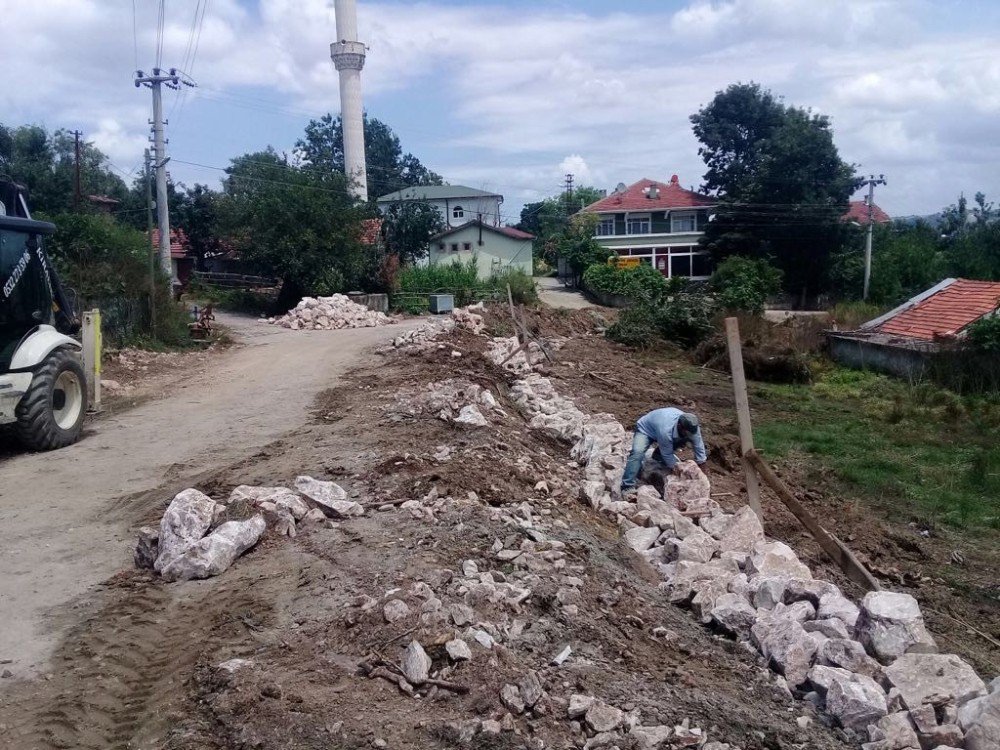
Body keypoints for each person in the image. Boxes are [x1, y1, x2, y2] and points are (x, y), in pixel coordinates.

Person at [620, 407, 707, 493]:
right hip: (645, 430)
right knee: (637, 453)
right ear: (679, 425)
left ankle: (658, 455)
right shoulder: (666, 430)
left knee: (685, 438)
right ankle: (627, 486)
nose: (690, 434)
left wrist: (703, 481)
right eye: (686, 432)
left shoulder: (692, 428)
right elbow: (667, 454)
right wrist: (679, 472)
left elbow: (699, 448)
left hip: (665, 430)